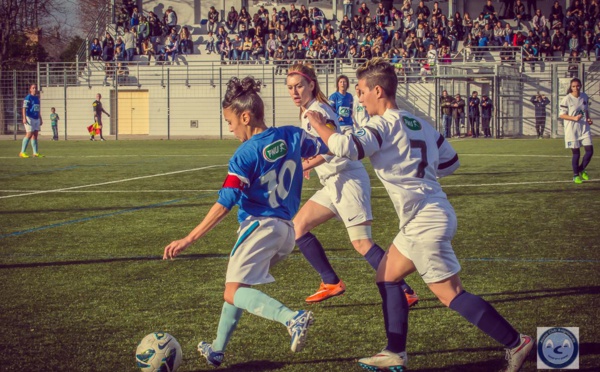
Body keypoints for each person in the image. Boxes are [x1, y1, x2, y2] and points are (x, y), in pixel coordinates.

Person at [305, 58, 534, 372]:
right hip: (426, 214)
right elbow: (451, 161)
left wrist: (319, 123)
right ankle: (394, 352)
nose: (359, 98)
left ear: (377, 90)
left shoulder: (381, 124)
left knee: (451, 294)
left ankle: (515, 342)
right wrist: (420, 172)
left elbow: (349, 148)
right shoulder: (417, 122)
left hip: (424, 220)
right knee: (387, 276)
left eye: (361, 92)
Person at [163, 76, 324, 367]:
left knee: (233, 290)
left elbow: (226, 201)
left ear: (246, 116)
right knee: (237, 288)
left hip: (259, 227)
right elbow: (326, 145)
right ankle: (217, 348)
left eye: (231, 121)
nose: (231, 127)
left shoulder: (244, 154)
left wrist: (188, 238)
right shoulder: (292, 135)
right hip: (286, 232)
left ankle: (292, 318)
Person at [286, 63, 418, 306]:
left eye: (299, 86)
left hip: (347, 179)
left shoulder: (318, 111)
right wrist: (308, 162)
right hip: (333, 183)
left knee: (361, 242)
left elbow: (331, 149)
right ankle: (331, 282)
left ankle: (404, 290)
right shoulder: (310, 110)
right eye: (290, 88)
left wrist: (303, 166)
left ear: (311, 85)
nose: (294, 92)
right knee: (298, 227)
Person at [559, 78, 594, 184]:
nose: (576, 88)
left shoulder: (584, 96)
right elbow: (561, 115)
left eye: (577, 86)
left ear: (581, 86)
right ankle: (575, 176)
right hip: (572, 129)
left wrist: (588, 118)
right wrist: (574, 118)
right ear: (571, 87)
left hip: (584, 128)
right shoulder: (566, 99)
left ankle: (581, 169)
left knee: (590, 151)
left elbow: (585, 110)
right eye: (573, 86)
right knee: (576, 153)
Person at [19, 84, 43, 158]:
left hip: (36, 118)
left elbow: (38, 109)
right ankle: (22, 152)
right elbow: (24, 108)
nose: (35, 89)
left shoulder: (37, 98)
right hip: (29, 117)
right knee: (29, 133)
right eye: (33, 88)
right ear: (30, 89)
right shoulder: (28, 97)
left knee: (35, 135)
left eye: (35, 88)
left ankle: (35, 153)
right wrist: (24, 118)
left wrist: (40, 118)